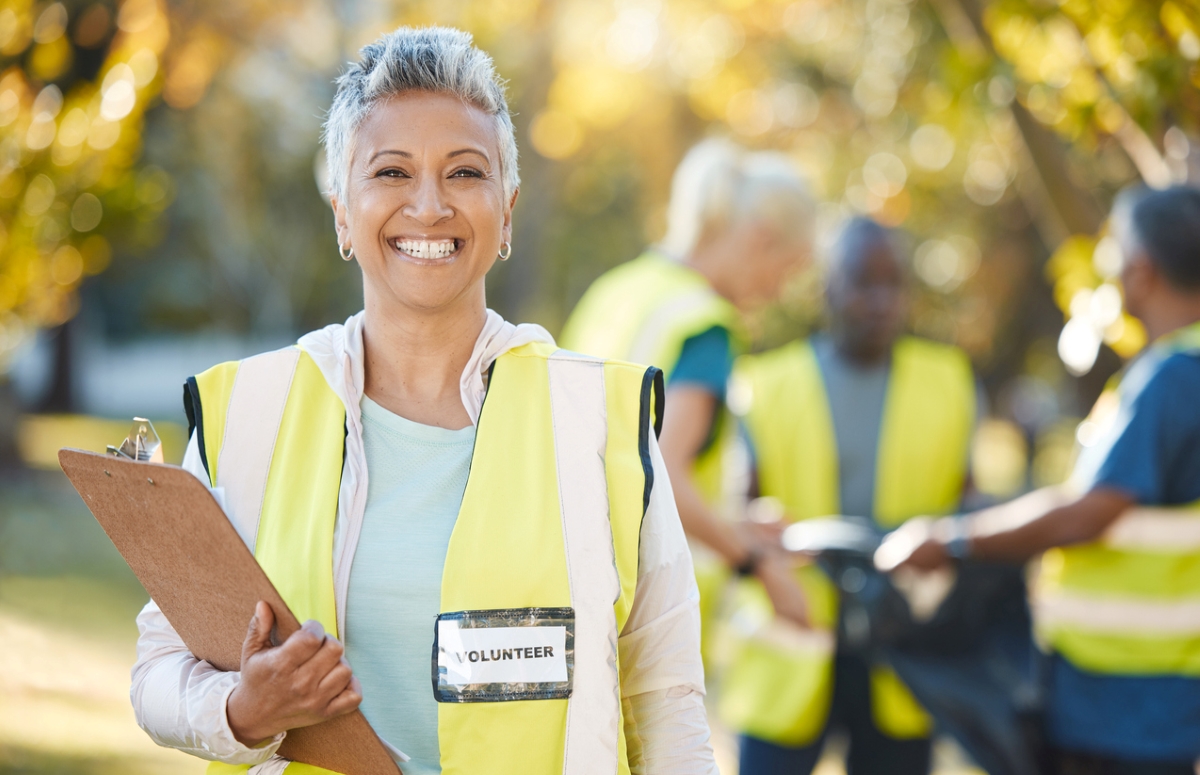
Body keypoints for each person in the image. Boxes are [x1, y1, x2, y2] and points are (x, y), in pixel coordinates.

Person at [129, 27, 716, 775]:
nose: (430, 206)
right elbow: (156, 673)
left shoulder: (600, 418)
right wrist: (243, 712)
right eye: (392, 172)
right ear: (344, 210)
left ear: (507, 210)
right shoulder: (250, 412)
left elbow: (665, 697)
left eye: (465, 173)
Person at [878, 186, 1200, 774]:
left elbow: (1088, 510)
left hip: (1120, 705)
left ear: (1143, 270)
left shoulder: (1173, 379)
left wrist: (955, 541)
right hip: (1154, 700)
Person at [724, 217, 978, 775]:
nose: (881, 300)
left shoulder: (949, 381)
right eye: (864, 282)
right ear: (828, 288)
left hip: (900, 651)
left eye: (893, 284)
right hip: (793, 645)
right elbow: (736, 515)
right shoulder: (763, 385)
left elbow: (969, 508)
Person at [560, 140, 818, 658]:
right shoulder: (706, 327)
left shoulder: (617, 291)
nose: (776, 292)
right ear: (760, 240)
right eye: (786, 271)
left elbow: (613, 458)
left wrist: (733, 523)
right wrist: (756, 562)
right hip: (647, 618)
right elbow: (666, 478)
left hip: (571, 585)